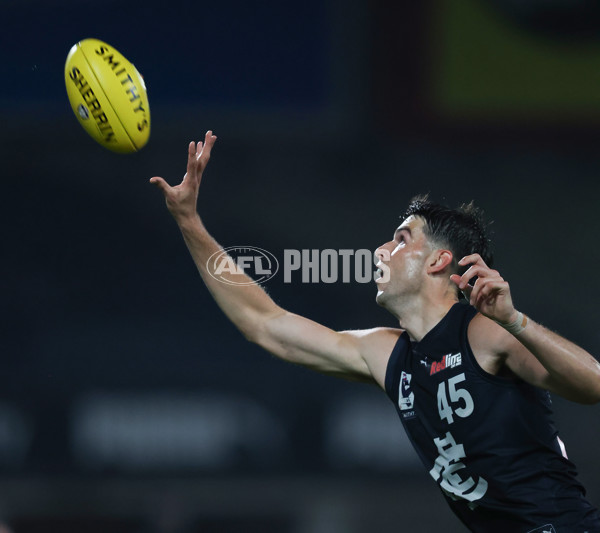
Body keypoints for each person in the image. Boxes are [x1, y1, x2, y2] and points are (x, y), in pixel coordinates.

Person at [150, 132, 600, 533]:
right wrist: (189, 222)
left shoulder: (486, 335)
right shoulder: (387, 355)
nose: (382, 249)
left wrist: (516, 322)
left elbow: (593, 384)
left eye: (402, 239)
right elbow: (265, 324)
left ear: (439, 262)